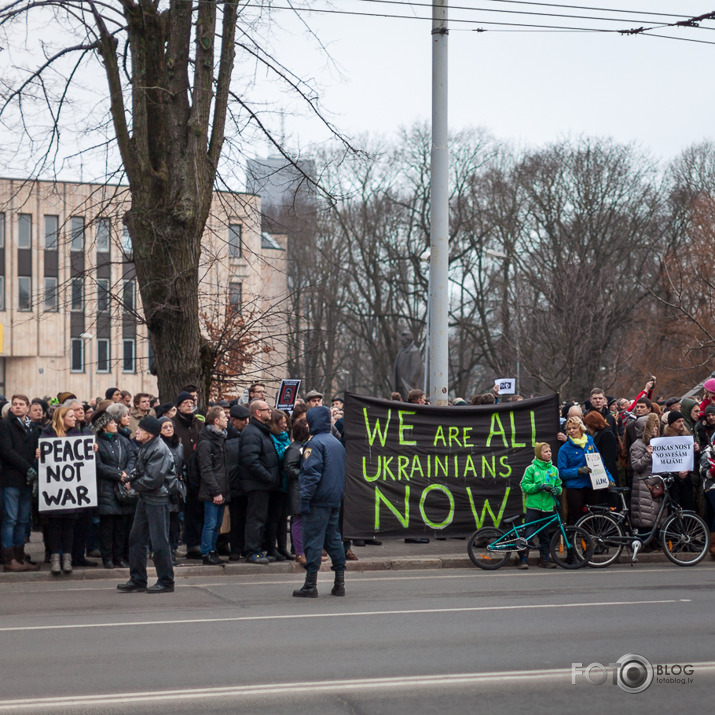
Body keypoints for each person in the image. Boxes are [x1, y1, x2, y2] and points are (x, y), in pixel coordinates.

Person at [293, 405, 347, 598]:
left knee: (313, 540)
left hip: (318, 500)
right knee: (334, 539)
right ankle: (339, 582)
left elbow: (310, 475)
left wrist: (305, 500)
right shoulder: (336, 442)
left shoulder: (314, 444)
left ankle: (310, 584)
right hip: (334, 499)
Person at [117, 416, 175, 594]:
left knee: (159, 542)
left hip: (157, 499)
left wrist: (132, 484)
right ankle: (138, 579)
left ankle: (166, 581)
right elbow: (141, 470)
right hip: (146, 498)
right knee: (136, 539)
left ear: (149, 434)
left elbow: (153, 480)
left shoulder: (159, 449)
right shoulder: (148, 446)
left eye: (141, 430)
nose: (137, 432)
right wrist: (130, 477)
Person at [40, 406, 84, 574]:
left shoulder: (76, 434)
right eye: (71, 416)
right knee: (55, 525)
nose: (75, 418)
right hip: (54, 491)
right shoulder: (47, 434)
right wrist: (39, 453)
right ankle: (55, 559)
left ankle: (67, 559)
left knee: (69, 525)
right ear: (62, 418)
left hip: (71, 491)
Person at [0, 394, 41, 572]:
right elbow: (7, 451)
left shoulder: (32, 428)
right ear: (11, 408)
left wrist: (36, 459)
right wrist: (28, 468)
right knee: (10, 519)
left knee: (23, 520)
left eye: (21, 404)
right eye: (15, 404)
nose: (17, 407)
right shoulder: (5, 425)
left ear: (27, 407)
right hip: (11, 478)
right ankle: (9, 560)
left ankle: (19, 556)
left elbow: (33, 451)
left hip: (26, 480)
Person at [92, 403, 135, 569]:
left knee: (121, 527)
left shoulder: (123, 441)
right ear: (103, 427)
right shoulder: (96, 443)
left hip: (123, 489)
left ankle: (119, 557)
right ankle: (107, 558)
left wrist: (127, 473)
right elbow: (99, 466)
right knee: (107, 527)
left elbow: (132, 457)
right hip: (106, 489)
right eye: (111, 423)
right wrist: (119, 474)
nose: (115, 424)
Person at [239, 399, 281, 564]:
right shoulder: (252, 433)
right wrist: (268, 477)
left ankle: (260, 549)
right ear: (258, 413)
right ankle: (252, 551)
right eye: (267, 410)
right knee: (255, 519)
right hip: (257, 484)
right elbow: (251, 460)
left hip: (263, 484)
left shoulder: (262, 431)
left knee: (262, 519)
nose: (269, 412)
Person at [557, 416, 613, 524]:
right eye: (569, 429)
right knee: (576, 518)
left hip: (591, 485)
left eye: (574, 428)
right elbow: (562, 472)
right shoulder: (564, 449)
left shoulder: (590, 444)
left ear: (581, 428)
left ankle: (590, 539)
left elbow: (600, 464)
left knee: (592, 517)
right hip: (575, 488)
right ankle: (576, 539)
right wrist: (577, 471)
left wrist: (609, 479)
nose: (571, 431)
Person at [519, 442, 562, 569]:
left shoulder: (553, 470)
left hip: (548, 507)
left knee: (545, 534)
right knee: (529, 532)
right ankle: (523, 558)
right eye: (545, 452)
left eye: (549, 451)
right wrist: (538, 486)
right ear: (539, 454)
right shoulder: (531, 469)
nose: (548, 453)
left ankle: (545, 558)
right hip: (534, 506)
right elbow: (524, 486)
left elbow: (559, 485)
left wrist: (556, 490)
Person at [197, 406, 229, 565]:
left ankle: (212, 550)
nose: (227, 419)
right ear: (216, 421)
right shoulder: (206, 442)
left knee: (217, 524)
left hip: (221, 488)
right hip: (212, 490)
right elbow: (206, 470)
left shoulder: (221, 438)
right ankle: (206, 553)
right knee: (210, 523)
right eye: (224, 417)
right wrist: (216, 491)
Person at [172, 391, 203, 559]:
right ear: (178, 406)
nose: (189, 405)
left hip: (196, 474)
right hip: (178, 474)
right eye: (185, 403)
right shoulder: (173, 424)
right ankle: (174, 545)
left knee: (195, 511)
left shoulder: (199, 424)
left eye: (191, 402)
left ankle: (194, 544)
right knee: (176, 513)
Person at [629, 413, 664, 534]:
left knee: (655, 516)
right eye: (653, 426)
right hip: (644, 486)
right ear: (646, 428)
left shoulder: (656, 443)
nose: (656, 428)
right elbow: (636, 466)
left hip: (654, 485)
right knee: (646, 517)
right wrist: (647, 455)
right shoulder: (637, 445)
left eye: (657, 426)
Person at [266, 409, 292, 561]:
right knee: (274, 518)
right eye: (281, 422)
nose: (284, 425)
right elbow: (279, 455)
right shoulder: (272, 438)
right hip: (276, 483)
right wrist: (290, 451)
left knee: (283, 518)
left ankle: (282, 547)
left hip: (285, 483)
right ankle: (271, 547)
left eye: (285, 422)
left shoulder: (284, 436)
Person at [285, 419, 311, 565]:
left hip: (301, 488)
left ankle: (303, 551)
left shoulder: (301, 447)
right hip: (297, 489)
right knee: (298, 520)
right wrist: (304, 473)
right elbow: (289, 468)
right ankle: (300, 553)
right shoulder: (295, 449)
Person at [393, 329, 424, 400]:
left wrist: (410, 383)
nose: (402, 341)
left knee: (408, 402)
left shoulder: (414, 351)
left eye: (403, 339)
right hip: (399, 383)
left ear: (408, 339)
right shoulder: (401, 351)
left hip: (407, 385)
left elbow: (416, 369)